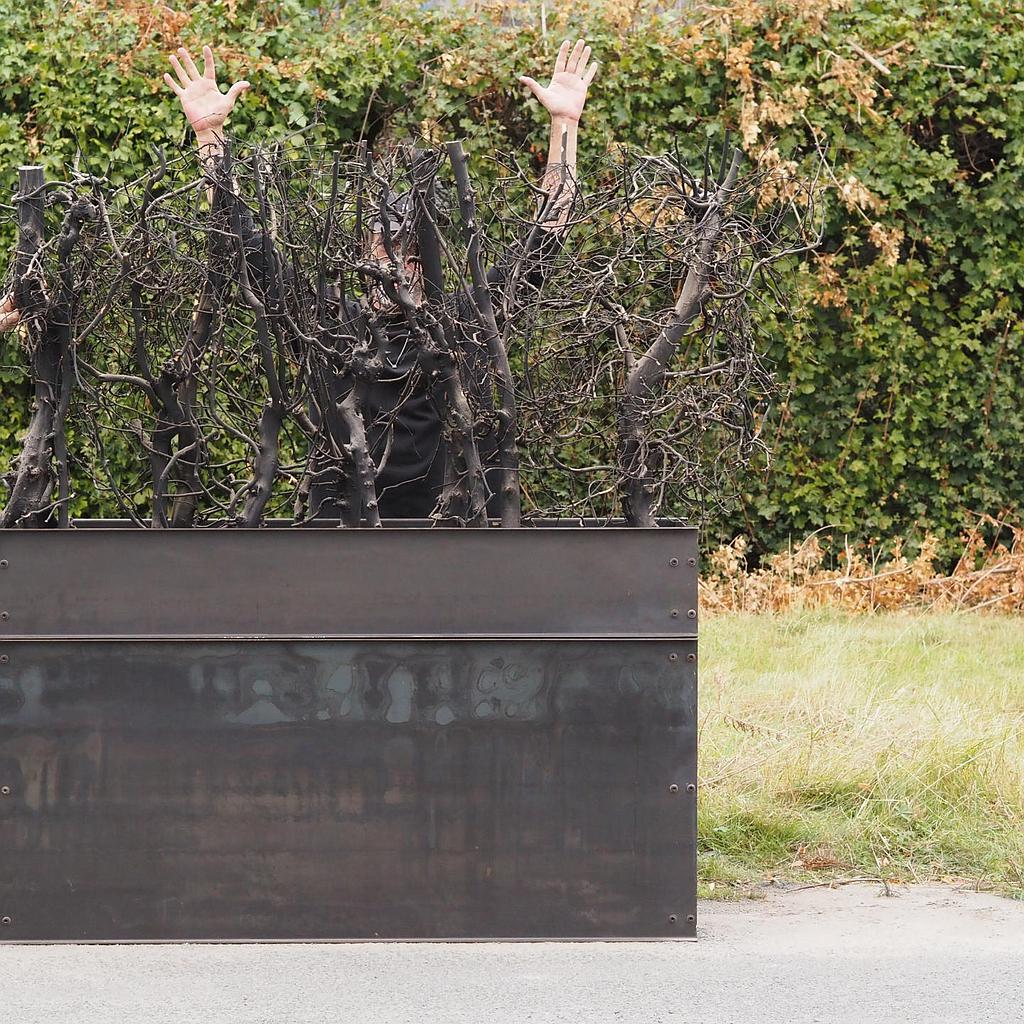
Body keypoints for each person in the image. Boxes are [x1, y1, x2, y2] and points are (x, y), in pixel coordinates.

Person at [2, 40, 600, 521]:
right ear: (362, 253)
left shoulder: (461, 323)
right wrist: (209, 136)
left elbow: (543, 237)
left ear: (434, 262)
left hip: (442, 538)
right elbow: (245, 239)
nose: (396, 267)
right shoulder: (327, 326)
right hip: (332, 538)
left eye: (413, 256)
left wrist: (564, 125)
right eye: (383, 249)